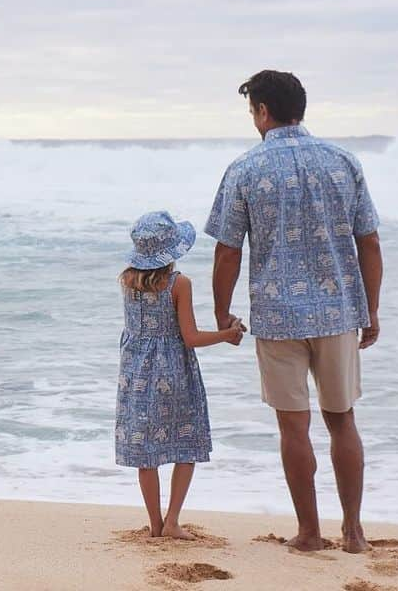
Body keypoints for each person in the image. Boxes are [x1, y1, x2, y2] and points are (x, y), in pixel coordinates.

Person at [205, 70, 383, 553]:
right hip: (339, 311)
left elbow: (227, 252)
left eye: (252, 112)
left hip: (278, 316)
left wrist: (223, 312)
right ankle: (354, 531)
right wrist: (371, 310)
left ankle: (309, 532)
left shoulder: (245, 168)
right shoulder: (342, 161)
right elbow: (368, 240)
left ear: (263, 111)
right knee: (342, 419)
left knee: (293, 426)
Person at [115, 211, 244, 539]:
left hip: (134, 373)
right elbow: (190, 338)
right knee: (184, 444)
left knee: (146, 451)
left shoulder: (127, 281)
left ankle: (155, 525)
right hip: (173, 372)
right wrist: (227, 335)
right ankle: (172, 521)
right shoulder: (178, 283)